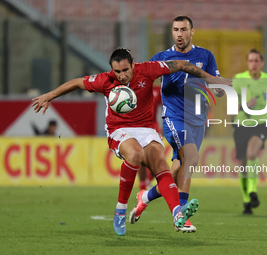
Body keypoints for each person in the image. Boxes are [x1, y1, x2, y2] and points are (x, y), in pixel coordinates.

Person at [32, 48, 223, 236]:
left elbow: (181, 64)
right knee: (135, 154)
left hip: (146, 129)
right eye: (117, 71)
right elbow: (77, 83)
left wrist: (211, 79)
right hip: (119, 129)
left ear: (133, 64)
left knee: (162, 166)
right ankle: (120, 210)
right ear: (112, 70)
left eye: (125, 70)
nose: (122, 76)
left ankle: (177, 214)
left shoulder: (147, 70)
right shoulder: (106, 80)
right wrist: (49, 96)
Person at [129, 15, 230, 233]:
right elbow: (143, 79)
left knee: (179, 169)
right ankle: (181, 215)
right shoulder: (162, 57)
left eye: (183, 29)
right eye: (175, 30)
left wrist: (219, 89)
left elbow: (216, 82)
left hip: (198, 120)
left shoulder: (206, 56)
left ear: (192, 31)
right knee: (191, 158)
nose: (179, 34)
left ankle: (145, 197)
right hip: (173, 118)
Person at [232, 49, 267, 215]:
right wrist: (246, 105)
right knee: (242, 165)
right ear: (247, 63)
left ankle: (253, 191)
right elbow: (232, 107)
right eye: (251, 61)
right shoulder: (239, 80)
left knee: (252, 154)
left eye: (256, 61)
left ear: (262, 63)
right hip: (241, 124)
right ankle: (247, 201)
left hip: (260, 124)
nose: (254, 64)